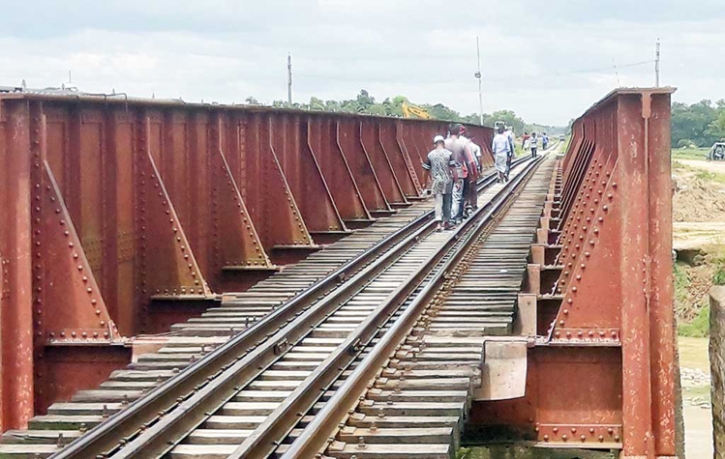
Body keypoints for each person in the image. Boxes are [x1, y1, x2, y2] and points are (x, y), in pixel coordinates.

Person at [422, 135, 454, 231]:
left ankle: (438, 224)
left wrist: (424, 183)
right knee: (447, 202)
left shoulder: (430, 155)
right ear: (443, 143)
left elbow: (426, 170)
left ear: (435, 144)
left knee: (438, 202)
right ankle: (446, 222)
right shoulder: (449, 153)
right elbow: (453, 168)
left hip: (436, 181)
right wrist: (457, 180)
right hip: (447, 180)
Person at [445, 123, 470, 225]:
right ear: (458, 132)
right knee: (456, 197)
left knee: (447, 196)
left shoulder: (444, 143)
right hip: (459, 173)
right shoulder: (462, 144)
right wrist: (473, 172)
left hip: (446, 173)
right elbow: (470, 161)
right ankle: (453, 218)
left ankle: (446, 217)